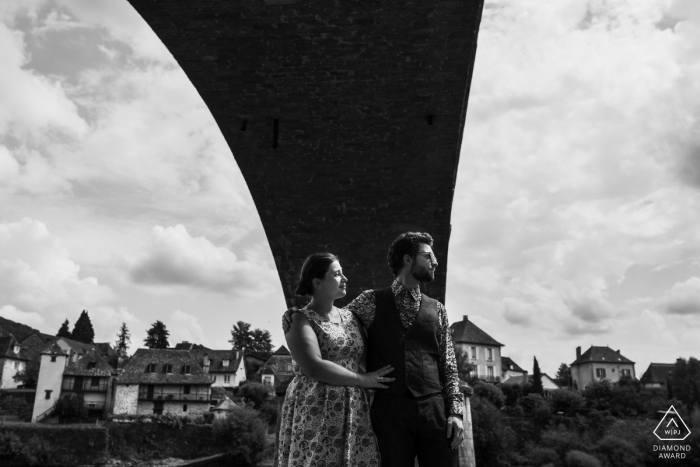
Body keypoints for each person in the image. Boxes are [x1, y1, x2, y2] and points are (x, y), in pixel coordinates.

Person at [283, 232, 464, 467]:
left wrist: (456, 412)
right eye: (428, 256)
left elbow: (448, 365)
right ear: (408, 260)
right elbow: (328, 320)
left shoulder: (438, 309)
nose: (435, 261)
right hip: (389, 412)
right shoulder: (369, 301)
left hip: (435, 411)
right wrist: (295, 314)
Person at [278, 252, 395, 467]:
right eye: (337, 274)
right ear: (317, 282)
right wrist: (364, 380)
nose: (345, 278)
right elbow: (314, 367)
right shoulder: (299, 319)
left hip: (354, 408)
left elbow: (368, 359)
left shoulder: (351, 317)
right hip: (317, 406)